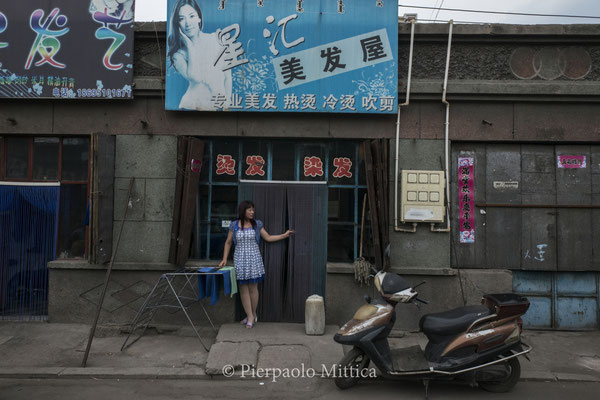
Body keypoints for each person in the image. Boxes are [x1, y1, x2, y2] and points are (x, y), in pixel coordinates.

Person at [218, 201, 294, 329]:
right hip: (240, 259)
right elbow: (228, 242)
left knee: (253, 288)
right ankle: (250, 315)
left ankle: (252, 315)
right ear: (243, 211)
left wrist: (284, 235)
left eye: (253, 210)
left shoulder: (257, 224)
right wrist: (224, 259)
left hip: (254, 258)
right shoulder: (234, 225)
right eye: (249, 210)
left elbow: (268, 238)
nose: (252, 212)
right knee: (243, 289)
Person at [167, 0, 232, 110]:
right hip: (192, 106)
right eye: (181, 19)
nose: (187, 23)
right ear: (177, 24)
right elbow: (195, 78)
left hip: (217, 106)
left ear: (199, 18)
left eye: (191, 16)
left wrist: (227, 103)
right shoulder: (178, 55)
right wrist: (190, 46)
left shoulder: (217, 40)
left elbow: (227, 76)